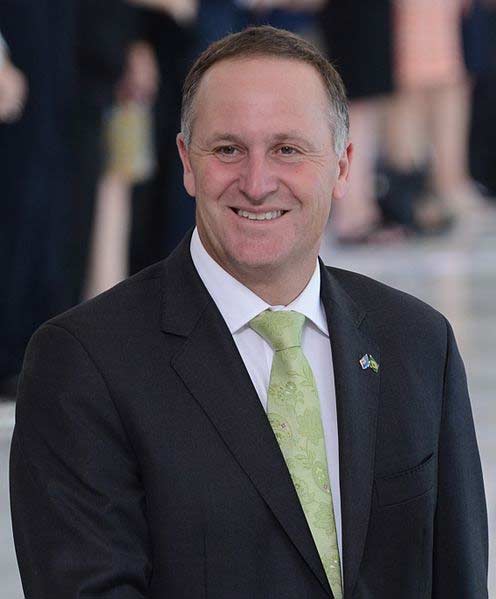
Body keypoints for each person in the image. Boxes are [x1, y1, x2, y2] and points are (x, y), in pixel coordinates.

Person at [10, 26, 488, 598]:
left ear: (342, 166)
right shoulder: (83, 364)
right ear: (187, 162)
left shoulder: (418, 343)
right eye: (228, 150)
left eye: (287, 149)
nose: (257, 184)